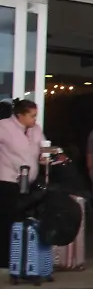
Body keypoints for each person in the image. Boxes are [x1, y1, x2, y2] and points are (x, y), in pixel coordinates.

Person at [0, 100, 49, 262]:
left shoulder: (36, 130)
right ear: (20, 116)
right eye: (32, 116)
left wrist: (45, 155)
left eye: (36, 116)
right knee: (8, 219)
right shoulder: (4, 127)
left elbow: (42, 146)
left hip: (29, 181)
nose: (35, 120)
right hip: (8, 180)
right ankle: (5, 258)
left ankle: (22, 256)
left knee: (24, 218)